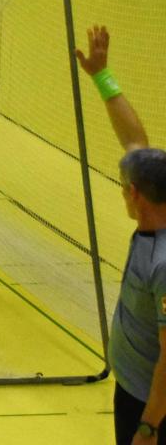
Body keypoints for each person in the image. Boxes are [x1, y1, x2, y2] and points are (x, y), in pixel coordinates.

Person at [77, 25, 166, 444]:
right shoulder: (156, 194)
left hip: (152, 403)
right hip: (132, 386)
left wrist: (149, 426)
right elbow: (135, 140)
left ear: (134, 194)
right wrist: (102, 76)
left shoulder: (164, 263)